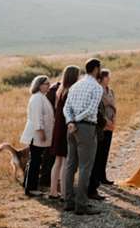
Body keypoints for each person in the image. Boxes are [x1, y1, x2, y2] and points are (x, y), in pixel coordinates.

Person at [63, 58, 104, 215]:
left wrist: (70, 122)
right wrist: (76, 121)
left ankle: (68, 202)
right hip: (86, 128)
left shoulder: (75, 85)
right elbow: (91, 109)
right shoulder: (96, 87)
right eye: (99, 68)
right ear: (95, 69)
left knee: (70, 165)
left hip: (71, 128)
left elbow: (67, 108)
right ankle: (81, 205)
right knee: (85, 167)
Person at [47, 65, 80, 199]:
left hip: (58, 127)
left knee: (58, 161)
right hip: (65, 127)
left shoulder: (60, 90)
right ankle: (65, 193)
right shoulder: (71, 90)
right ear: (74, 76)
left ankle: (53, 191)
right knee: (66, 161)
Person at [19, 75, 55, 197]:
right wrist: (41, 133)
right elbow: (37, 118)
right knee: (35, 161)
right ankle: (31, 188)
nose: (49, 85)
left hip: (39, 135)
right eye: (46, 83)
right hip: (37, 135)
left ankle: (28, 185)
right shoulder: (37, 98)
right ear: (39, 85)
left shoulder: (41, 97)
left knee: (34, 160)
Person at [89, 68, 116, 194]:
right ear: (101, 78)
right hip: (102, 125)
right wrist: (106, 121)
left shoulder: (110, 91)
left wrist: (113, 121)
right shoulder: (98, 91)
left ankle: (103, 176)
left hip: (111, 123)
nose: (109, 79)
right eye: (107, 77)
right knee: (99, 152)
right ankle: (97, 177)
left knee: (105, 151)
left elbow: (114, 106)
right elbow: (99, 110)